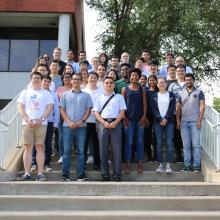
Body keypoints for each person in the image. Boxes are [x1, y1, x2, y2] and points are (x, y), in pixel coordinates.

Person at [17, 71, 54, 181]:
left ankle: (40, 173)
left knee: (39, 147)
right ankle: (27, 173)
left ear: (41, 80)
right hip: (27, 123)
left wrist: (42, 118)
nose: (36, 80)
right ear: (31, 79)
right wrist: (27, 119)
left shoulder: (46, 93)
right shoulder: (25, 92)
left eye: (38, 78)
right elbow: (21, 107)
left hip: (41, 123)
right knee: (28, 147)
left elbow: (49, 107)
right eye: (34, 78)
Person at [59, 74, 93, 181]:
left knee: (81, 151)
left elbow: (88, 110)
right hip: (67, 126)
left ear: (81, 80)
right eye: (74, 79)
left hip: (81, 126)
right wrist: (68, 121)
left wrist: (81, 121)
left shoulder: (86, 95)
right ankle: (65, 174)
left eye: (78, 79)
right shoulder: (65, 94)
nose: (76, 81)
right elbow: (62, 110)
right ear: (71, 81)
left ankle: (81, 174)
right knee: (67, 151)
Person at [94, 76, 126, 181]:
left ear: (114, 85)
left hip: (116, 124)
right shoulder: (99, 97)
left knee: (117, 150)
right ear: (103, 85)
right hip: (103, 124)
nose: (109, 84)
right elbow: (96, 113)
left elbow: (122, 112)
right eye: (106, 83)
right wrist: (103, 122)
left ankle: (117, 174)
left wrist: (115, 122)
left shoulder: (119, 97)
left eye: (111, 83)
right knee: (103, 150)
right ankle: (105, 174)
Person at [176, 73, 205, 172]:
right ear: (184, 81)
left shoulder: (199, 92)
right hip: (184, 122)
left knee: (196, 145)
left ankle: (196, 165)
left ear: (193, 80)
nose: (188, 81)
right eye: (187, 80)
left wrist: (200, 120)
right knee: (186, 145)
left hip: (195, 121)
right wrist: (178, 120)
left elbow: (202, 106)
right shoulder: (180, 93)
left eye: (190, 79)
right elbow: (178, 108)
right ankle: (187, 165)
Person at [31, 75, 60, 172]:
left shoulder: (54, 94)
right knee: (36, 143)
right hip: (38, 122)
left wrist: (56, 122)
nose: (46, 83)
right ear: (41, 82)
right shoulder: (36, 93)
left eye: (48, 81)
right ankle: (34, 164)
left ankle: (46, 164)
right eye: (45, 81)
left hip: (49, 121)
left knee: (47, 143)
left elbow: (56, 109)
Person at [122, 68, 146, 174]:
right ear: (130, 76)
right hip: (129, 120)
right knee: (129, 143)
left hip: (140, 120)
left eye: (136, 75)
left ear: (139, 77)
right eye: (132, 75)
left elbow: (145, 104)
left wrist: (144, 116)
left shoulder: (142, 89)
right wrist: (124, 118)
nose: (134, 77)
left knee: (140, 142)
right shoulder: (125, 89)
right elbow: (122, 105)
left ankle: (140, 164)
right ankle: (128, 164)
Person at [151, 77, 176, 173]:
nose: (161, 84)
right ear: (157, 85)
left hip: (169, 122)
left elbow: (172, 107)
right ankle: (161, 164)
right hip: (158, 122)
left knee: (169, 142)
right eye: (159, 82)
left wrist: (165, 118)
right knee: (159, 143)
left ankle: (168, 165)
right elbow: (153, 109)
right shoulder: (154, 95)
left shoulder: (171, 95)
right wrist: (160, 118)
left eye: (163, 82)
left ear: (166, 84)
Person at [83, 72, 103, 170]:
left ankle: (97, 164)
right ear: (87, 79)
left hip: (98, 121)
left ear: (97, 79)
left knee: (97, 143)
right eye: (91, 78)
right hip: (85, 121)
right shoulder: (83, 91)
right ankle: (83, 164)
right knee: (84, 143)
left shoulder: (102, 91)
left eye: (95, 78)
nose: (92, 80)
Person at [168, 64, 186, 162]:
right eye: (178, 71)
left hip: (188, 114)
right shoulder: (172, 85)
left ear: (185, 72)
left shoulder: (189, 83)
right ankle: (179, 155)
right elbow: (169, 99)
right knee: (176, 135)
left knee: (186, 135)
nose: (180, 72)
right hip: (175, 114)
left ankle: (187, 156)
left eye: (182, 71)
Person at [56, 73, 73, 164]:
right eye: (65, 77)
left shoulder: (75, 89)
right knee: (62, 137)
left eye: (68, 77)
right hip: (61, 116)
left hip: (74, 116)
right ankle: (62, 155)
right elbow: (56, 103)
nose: (66, 79)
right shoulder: (59, 89)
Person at [144, 75, 158, 161]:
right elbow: (144, 105)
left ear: (156, 81)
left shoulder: (159, 91)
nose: (152, 82)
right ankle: (149, 156)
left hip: (157, 117)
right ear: (148, 82)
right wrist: (144, 117)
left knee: (157, 137)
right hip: (148, 116)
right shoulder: (146, 91)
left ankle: (157, 156)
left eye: (153, 80)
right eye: (150, 80)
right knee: (148, 137)